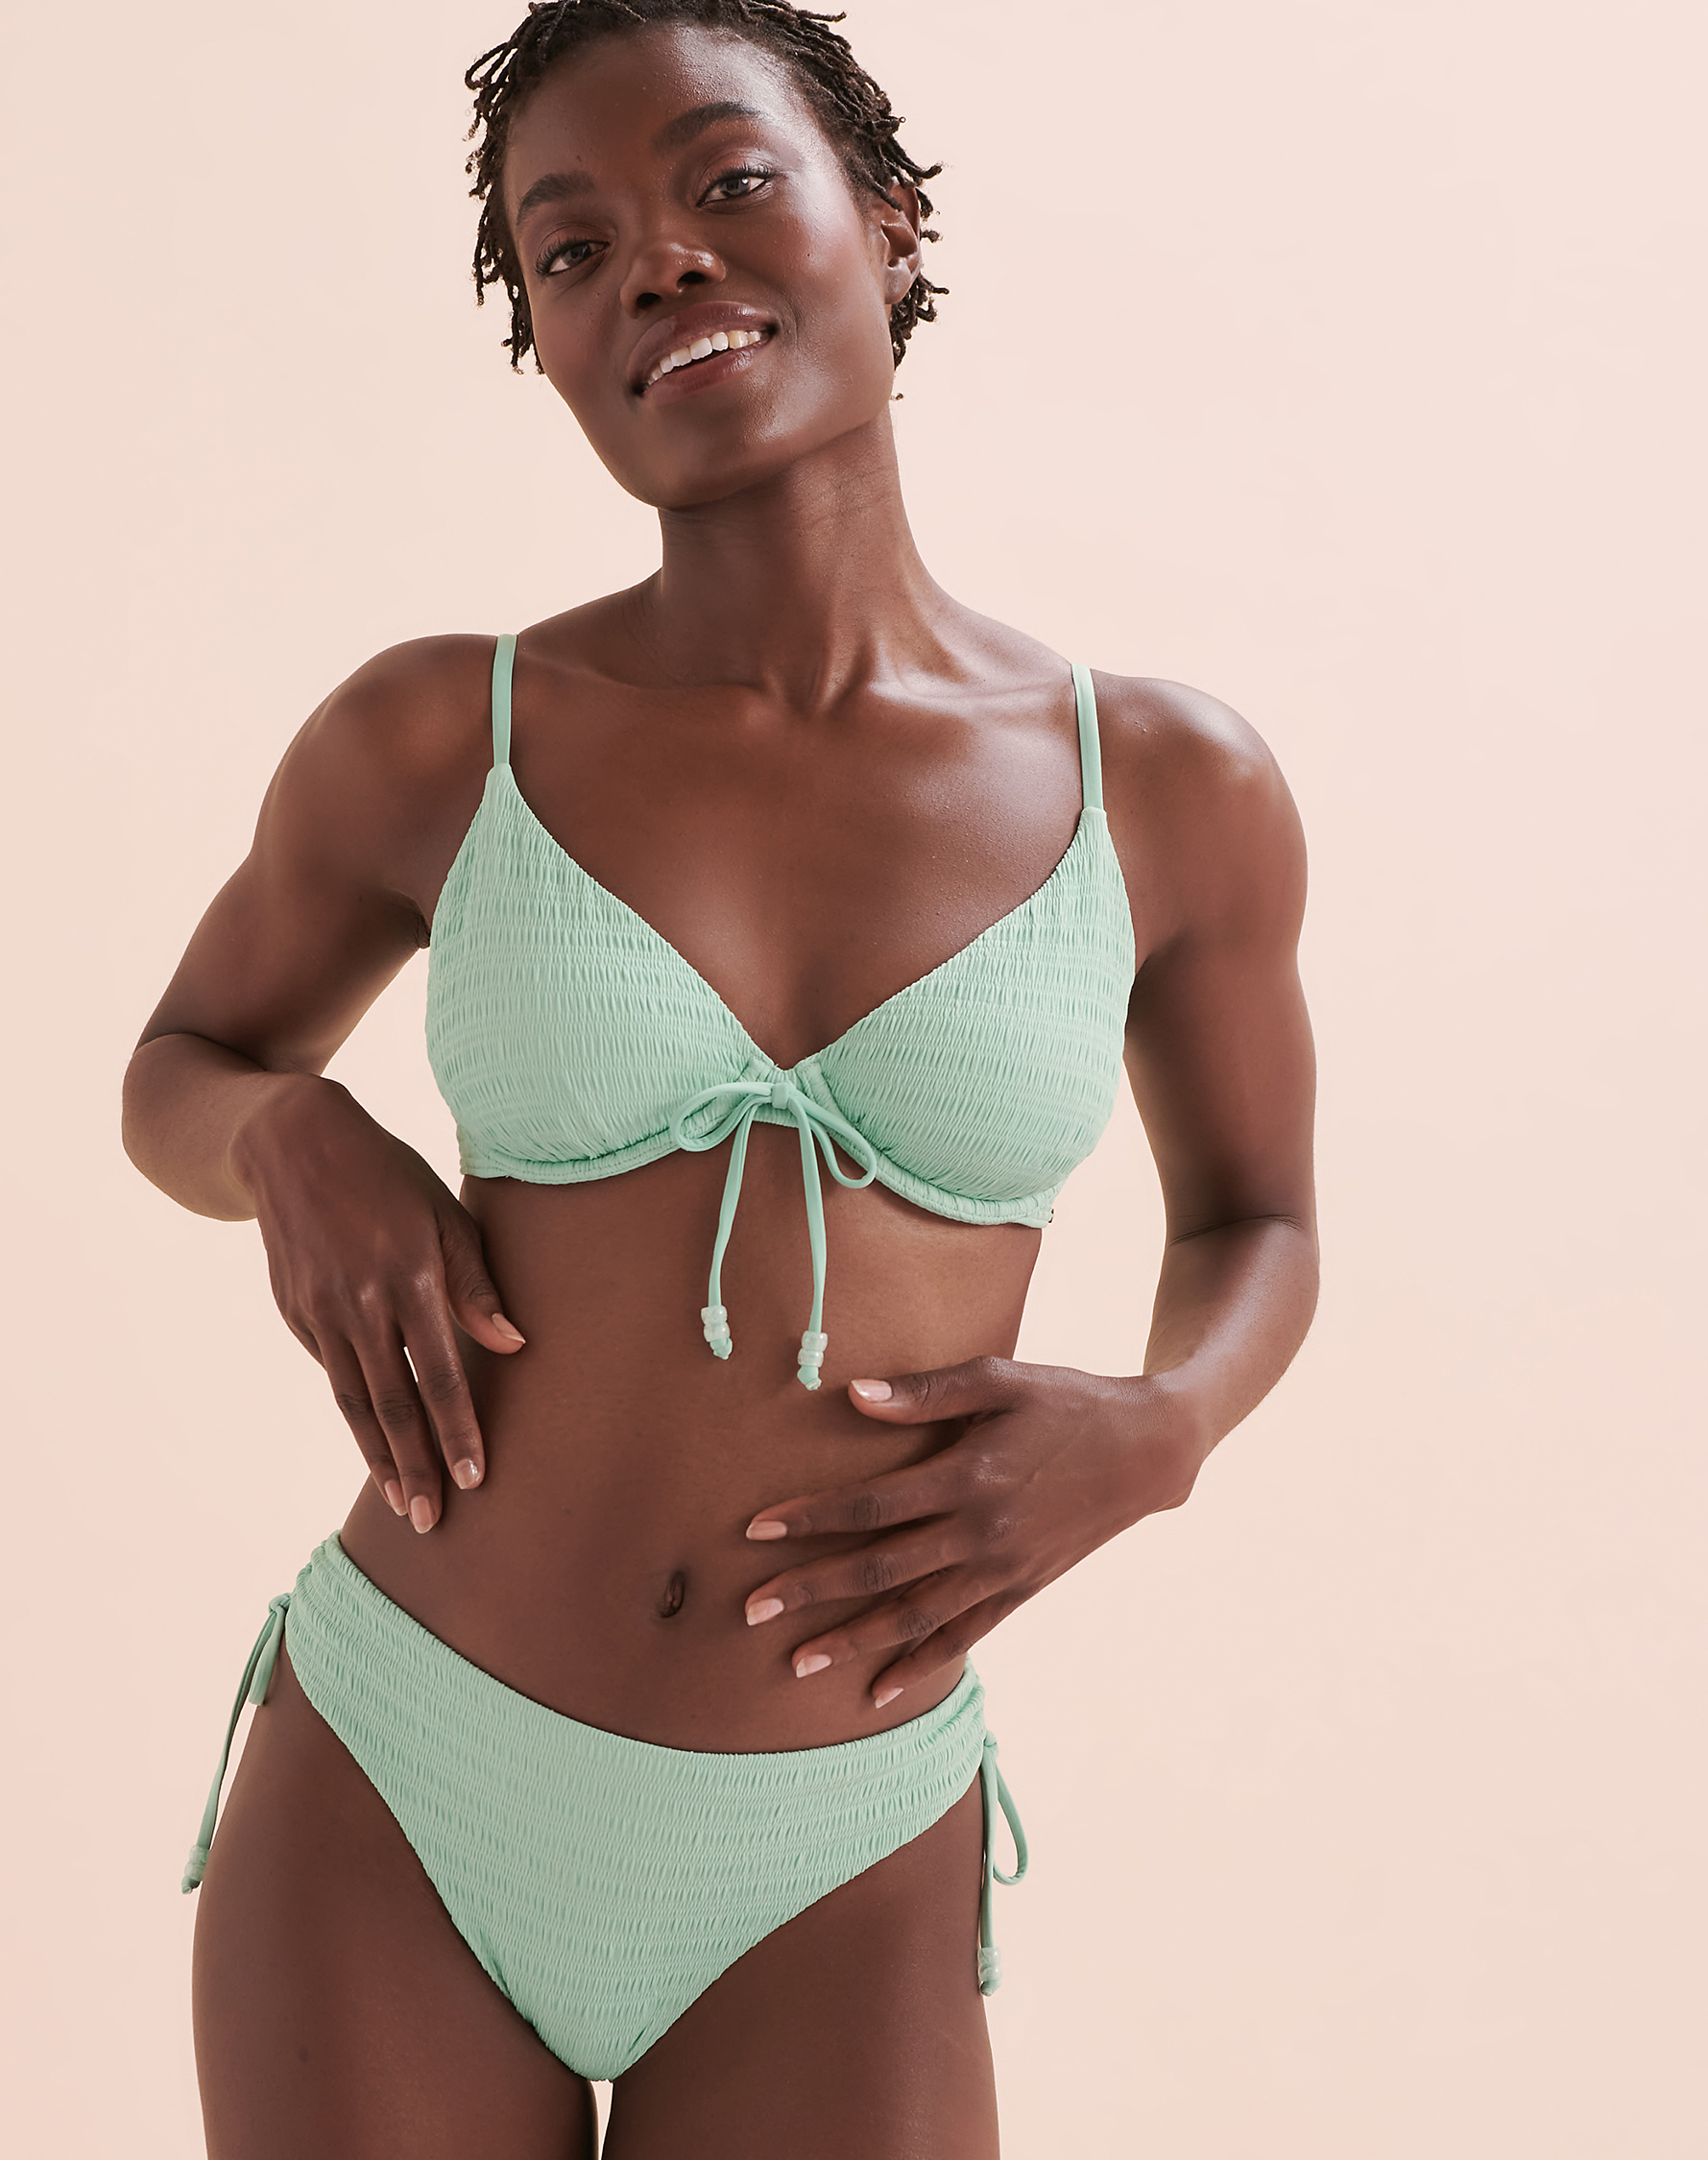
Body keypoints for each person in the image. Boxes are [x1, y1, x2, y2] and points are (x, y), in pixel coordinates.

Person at [122, 4, 1318, 2153]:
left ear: (893, 218)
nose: (654, 262)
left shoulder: (1162, 783)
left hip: (837, 1841)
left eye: (728, 182)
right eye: (568, 250)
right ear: (549, 348)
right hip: (406, 1771)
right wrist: (290, 1129)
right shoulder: (440, 734)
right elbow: (180, 1071)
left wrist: (1166, 1426)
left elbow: (1261, 1216)